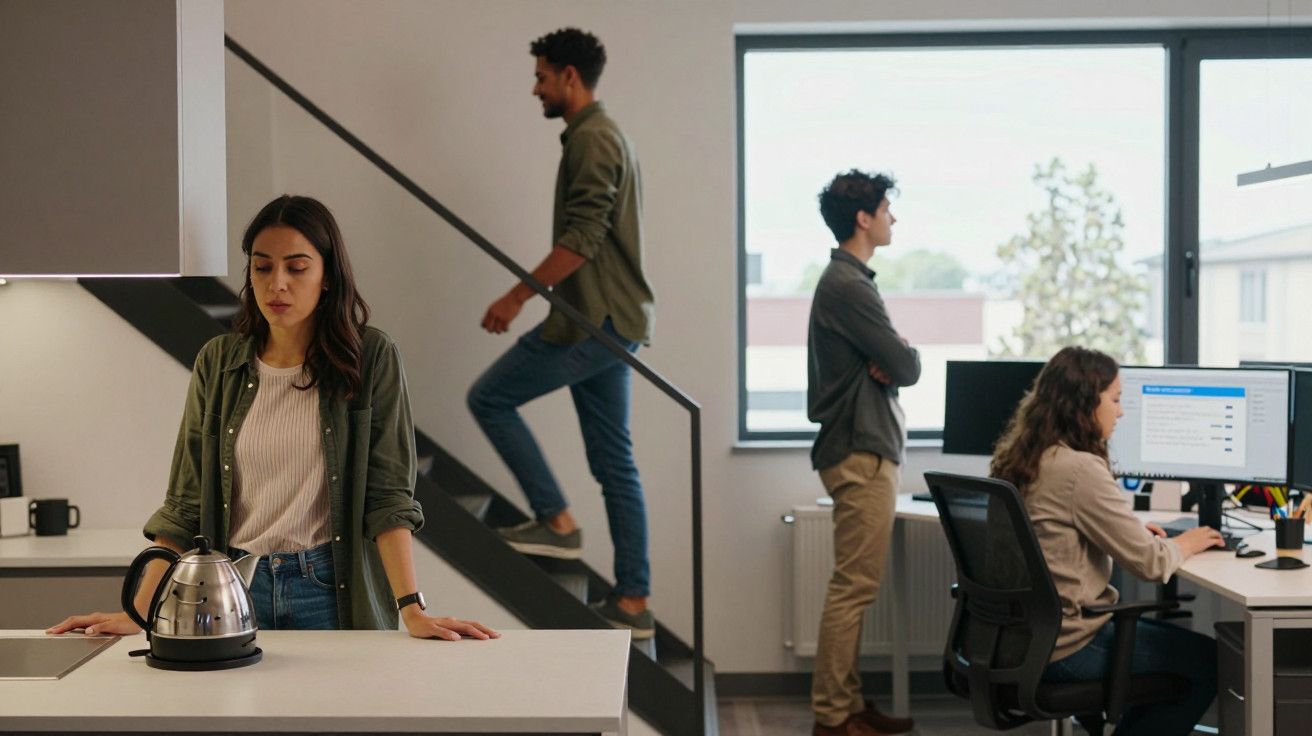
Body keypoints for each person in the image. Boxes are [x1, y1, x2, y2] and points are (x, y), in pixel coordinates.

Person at [48, 195, 497, 641]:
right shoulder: (218, 362)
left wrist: (412, 609)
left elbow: (387, 497)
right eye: (262, 267)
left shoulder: (371, 356)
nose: (277, 283)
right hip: (232, 590)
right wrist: (138, 612)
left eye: (296, 268)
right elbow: (186, 503)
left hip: (329, 589)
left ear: (326, 276)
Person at [467, 28, 655, 639]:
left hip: (591, 322)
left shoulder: (595, 139)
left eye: (543, 76)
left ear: (570, 77)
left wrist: (516, 295)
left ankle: (555, 522)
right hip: (610, 323)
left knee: (489, 398)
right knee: (614, 462)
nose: (536, 88)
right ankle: (633, 603)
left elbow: (583, 238)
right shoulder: (595, 135)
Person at [990, 346, 1223, 734]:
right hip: (1067, 648)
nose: (1121, 411)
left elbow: (1056, 537)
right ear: (1083, 405)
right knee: (1211, 662)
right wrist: (1189, 542)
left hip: (1019, 640)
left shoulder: (1022, 458)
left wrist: (1127, 534)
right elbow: (1151, 564)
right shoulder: (1080, 468)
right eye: (1115, 399)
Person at [807, 170, 920, 736]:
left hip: (861, 450)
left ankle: (847, 706)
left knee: (852, 587)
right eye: (886, 208)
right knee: (852, 590)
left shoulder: (851, 282)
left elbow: (894, 362)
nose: (892, 218)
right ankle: (833, 718)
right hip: (860, 453)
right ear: (863, 218)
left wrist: (895, 354)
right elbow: (905, 367)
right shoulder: (848, 285)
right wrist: (901, 354)